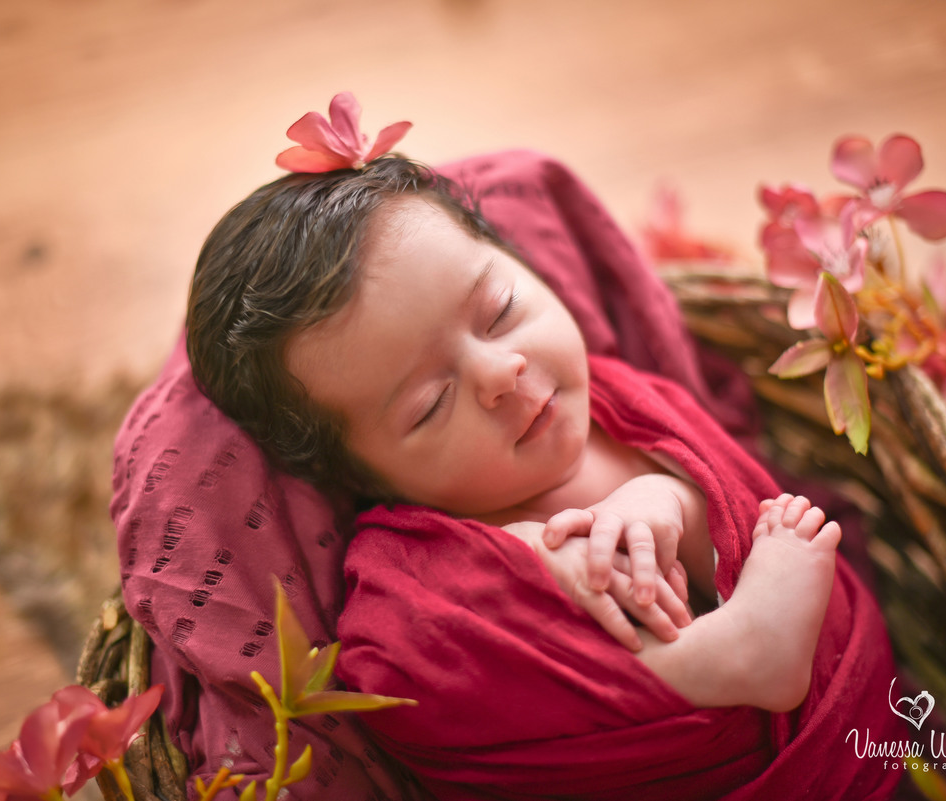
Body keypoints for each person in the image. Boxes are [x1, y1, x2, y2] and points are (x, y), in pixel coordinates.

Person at [185, 151, 899, 799]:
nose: (502, 373)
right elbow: (420, 694)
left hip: (856, 731)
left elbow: (740, 510)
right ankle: (713, 661)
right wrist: (532, 568)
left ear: (521, 263)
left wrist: (665, 501)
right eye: (430, 405)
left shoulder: (628, 399)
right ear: (361, 473)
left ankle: (744, 647)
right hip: (679, 758)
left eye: (499, 312)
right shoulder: (415, 565)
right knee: (406, 651)